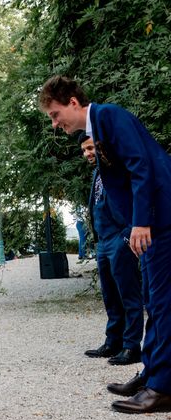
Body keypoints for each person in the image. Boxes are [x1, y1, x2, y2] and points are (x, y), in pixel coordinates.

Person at [40, 75, 171, 414]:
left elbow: (142, 166)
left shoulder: (110, 117)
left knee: (162, 302)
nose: (55, 124)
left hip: (162, 220)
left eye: (55, 115)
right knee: (153, 301)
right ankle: (151, 375)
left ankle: (162, 387)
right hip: (148, 223)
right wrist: (133, 225)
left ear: (72, 102)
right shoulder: (96, 132)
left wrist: (141, 222)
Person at [78, 134, 144, 366]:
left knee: (128, 294)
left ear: (101, 147)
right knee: (110, 296)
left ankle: (131, 346)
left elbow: (139, 198)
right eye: (84, 150)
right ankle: (113, 341)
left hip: (120, 237)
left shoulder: (120, 169)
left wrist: (128, 233)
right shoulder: (98, 174)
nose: (86, 154)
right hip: (103, 241)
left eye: (89, 149)